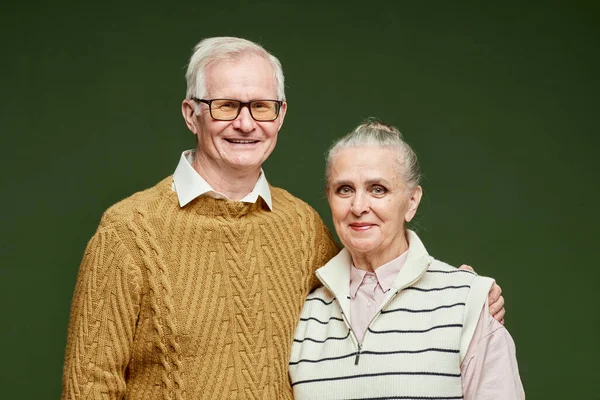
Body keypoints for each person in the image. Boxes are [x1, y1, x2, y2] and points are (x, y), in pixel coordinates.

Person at [61, 37, 505, 399]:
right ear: (191, 113)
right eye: (225, 105)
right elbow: (88, 387)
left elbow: (371, 281)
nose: (245, 123)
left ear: (281, 115)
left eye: (261, 106)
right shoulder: (129, 231)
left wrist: (456, 293)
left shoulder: (303, 226)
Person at [289, 120, 524, 399]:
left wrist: (469, 295)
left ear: (412, 201)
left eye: (378, 189)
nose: (358, 207)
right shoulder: (303, 315)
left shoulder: (468, 303)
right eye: (344, 189)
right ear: (329, 197)